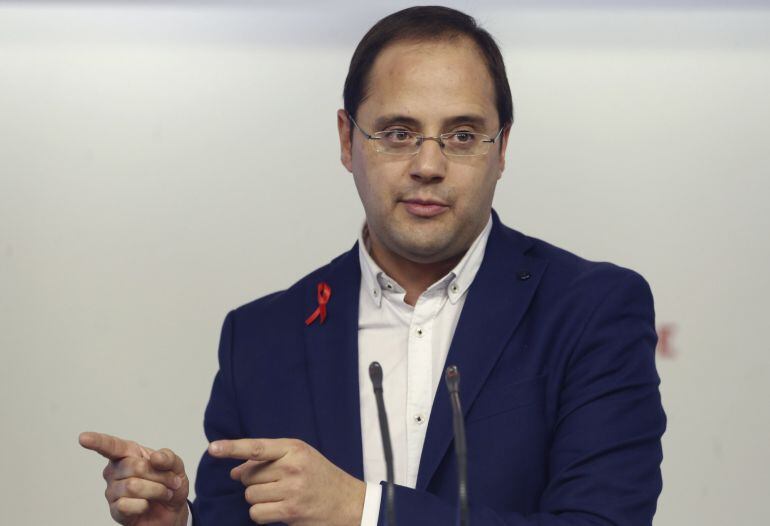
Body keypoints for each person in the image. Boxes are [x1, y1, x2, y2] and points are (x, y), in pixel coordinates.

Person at [79, 6, 666, 526]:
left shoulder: (591, 309)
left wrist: (361, 511)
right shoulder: (260, 338)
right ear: (347, 140)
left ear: (502, 147)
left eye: (462, 135)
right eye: (398, 132)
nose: (428, 165)